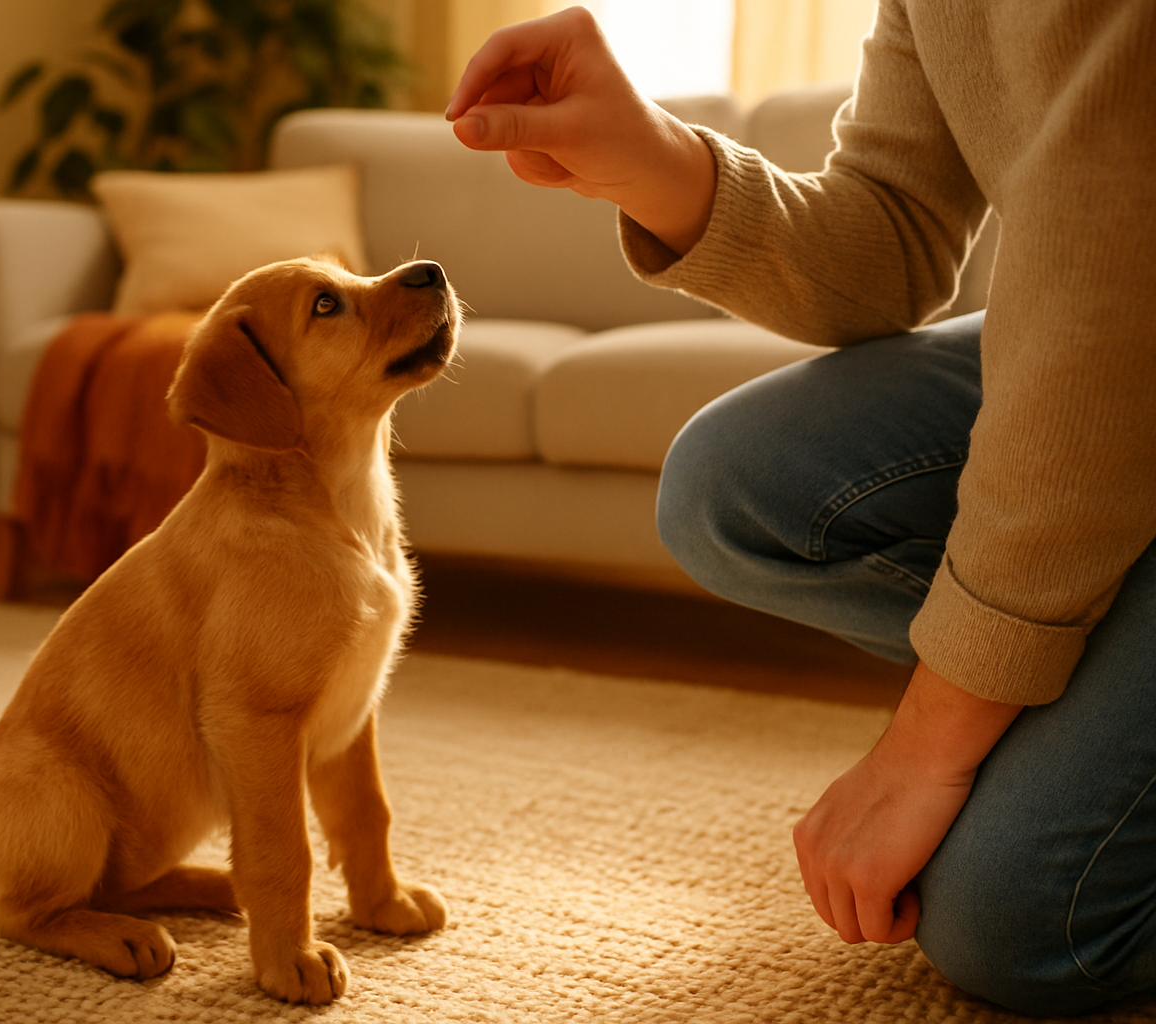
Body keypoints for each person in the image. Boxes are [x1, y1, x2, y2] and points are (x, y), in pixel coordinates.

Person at [444, 4, 1156, 1016]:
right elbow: (890, 237)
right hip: (1107, 318)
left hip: (1126, 319)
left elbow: (1112, 311)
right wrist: (647, 155)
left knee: (1017, 920)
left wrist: (927, 747)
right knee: (738, 483)